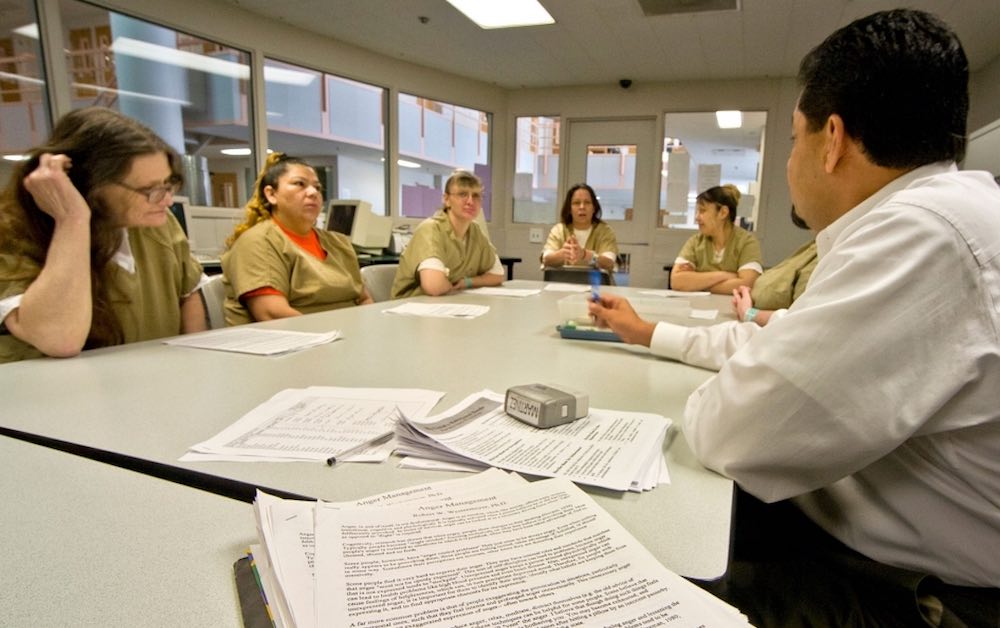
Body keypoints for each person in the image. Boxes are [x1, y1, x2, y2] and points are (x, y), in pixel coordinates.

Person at [590, 9, 1000, 625]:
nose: (789, 161)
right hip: (877, 538)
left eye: (792, 138)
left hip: (925, 595)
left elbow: (731, 431)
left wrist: (747, 371)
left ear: (831, 140)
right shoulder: (937, 216)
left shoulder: (922, 238)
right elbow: (781, 337)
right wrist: (651, 332)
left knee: (642, 562)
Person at [0, 107, 207, 364]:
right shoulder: (13, 234)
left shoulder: (158, 223)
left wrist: (193, 360)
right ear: (88, 185)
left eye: (168, 184)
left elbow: (188, 294)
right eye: (149, 189)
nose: (166, 199)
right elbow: (60, 338)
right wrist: (72, 219)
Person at [221, 153, 372, 325]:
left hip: (346, 338)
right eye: (299, 184)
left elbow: (364, 299)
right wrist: (339, 336)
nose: (312, 192)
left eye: (317, 187)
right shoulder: (259, 242)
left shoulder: (338, 242)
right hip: (290, 343)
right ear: (271, 194)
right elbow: (272, 313)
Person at [391, 170, 504, 298]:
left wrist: (467, 282)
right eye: (463, 194)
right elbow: (434, 286)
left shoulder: (475, 232)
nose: (470, 201)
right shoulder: (431, 229)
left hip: (448, 304)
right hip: (411, 309)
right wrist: (451, 286)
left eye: (476, 195)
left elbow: (497, 274)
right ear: (446, 199)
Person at [670, 184, 762, 294]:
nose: (697, 217)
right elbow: (677, 282)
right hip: (698, 308)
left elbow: (747, 284)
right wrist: (726, 275)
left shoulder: (746, 242)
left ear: (723, 213)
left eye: (702, 211)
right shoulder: (695, 242)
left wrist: (699, 284)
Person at [733, 207, 817, 327]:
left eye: (703, 210)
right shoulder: (813, 246)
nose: (698, 217)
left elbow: (803, 322)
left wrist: (749, 313)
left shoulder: (825, 255)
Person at [540, 183, 618, 272]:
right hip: (563, 283)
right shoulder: (559, 230)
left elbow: (609, 263)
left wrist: (585, 255)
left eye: (587, 202)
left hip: (597, 284)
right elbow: (546, 260)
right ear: (569, 209)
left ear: (594, 208)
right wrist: (564, 253)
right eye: (576, 203)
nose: (582, 207)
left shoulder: (605, 231)